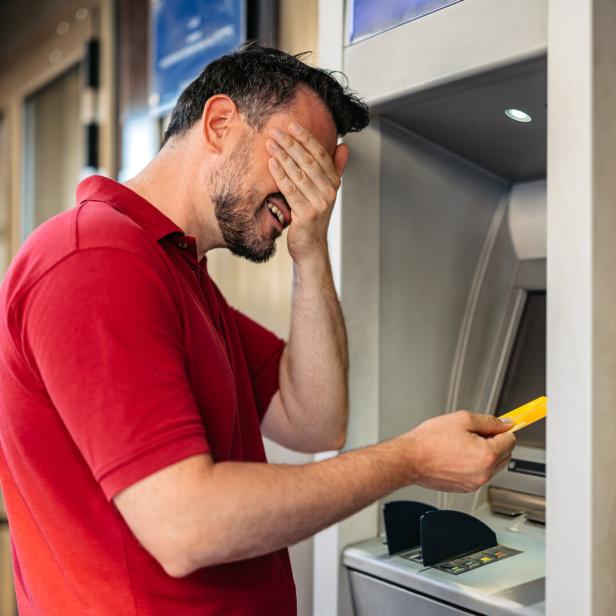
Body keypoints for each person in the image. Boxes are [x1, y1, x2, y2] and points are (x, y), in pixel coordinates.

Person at [0, 44, 515, 615]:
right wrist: (409, 460)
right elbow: (185, 526)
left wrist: (311, 248)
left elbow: (315, 422)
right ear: (220, 123)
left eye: (317, 175)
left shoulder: (178, 273)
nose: (301, 196)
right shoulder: (95, 257)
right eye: (296, 161)